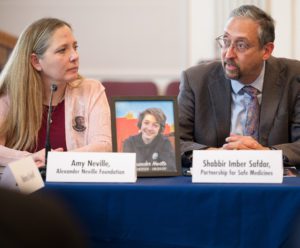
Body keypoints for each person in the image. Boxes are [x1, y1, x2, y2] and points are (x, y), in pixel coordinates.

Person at [179, 5, 300, 168]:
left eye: (241, 45)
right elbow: (174, 141)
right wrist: (215, 155)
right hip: (215, 183)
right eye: (226, 41)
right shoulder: (195, 80)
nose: (228, 54)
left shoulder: (294, 78)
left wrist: (266, 155)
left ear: (266, 50)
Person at [0, 18, 112, 168]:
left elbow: (103, 146)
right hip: (23, 190)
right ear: (36, 62)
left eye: (75, 47)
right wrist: (30, 158)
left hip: (76, 188)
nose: (75, 56)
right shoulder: (8, 95)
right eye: (62, 50)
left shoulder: (91, 89)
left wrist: (58, 161)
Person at [123, 108, 176, 172]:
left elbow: (170, 169)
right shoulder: (129, 142)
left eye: (155, 125)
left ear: (159, 129)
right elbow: (127, 169)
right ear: (141, 123)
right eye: (146, 123)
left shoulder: (165, 143)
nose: (150, 128)